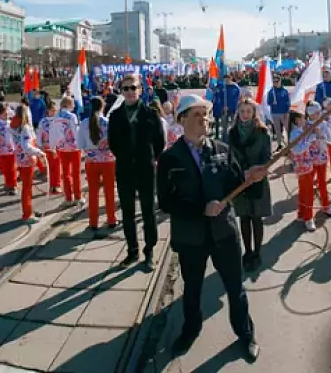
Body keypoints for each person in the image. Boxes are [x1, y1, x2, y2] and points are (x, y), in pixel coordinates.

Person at [156, 94, 263, 361]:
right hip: (191, 238)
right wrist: (200, 209)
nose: (204, 119)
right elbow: (167, 201)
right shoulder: (170, 159)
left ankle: (245, 332)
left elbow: (238, 184)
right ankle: (190, 330)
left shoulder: (222, 150)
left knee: (235, 287)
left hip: (224, 233)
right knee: (192, 290)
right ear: (181, 120)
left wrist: (253, 178)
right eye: (196, 114)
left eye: (205, 114)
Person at [107, 74, 166, 269]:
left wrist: (147, 157)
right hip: (124, 169)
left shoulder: (150, 114)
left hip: (146, 169)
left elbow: (160, 142)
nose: (130, 92)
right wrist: (125, 157)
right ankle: (132, 250)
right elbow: (112, 143)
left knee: (149, 211)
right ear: (121, 92)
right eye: (126, 89)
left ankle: (149, 250)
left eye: (133, 88)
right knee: (128, 212)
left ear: (140, 89)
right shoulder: (115, 115)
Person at [227, 97, 272, 272]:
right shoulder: (232, 133)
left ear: (254, 112)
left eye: (248, 111)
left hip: (258, 179)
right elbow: (230, 156)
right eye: (242, 111)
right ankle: (247, 251)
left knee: (256, 217)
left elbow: (267, 155)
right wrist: (241, 172)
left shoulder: (262, 132)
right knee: (244, 217)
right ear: (238, 113)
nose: (245, 114)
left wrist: (258, 170)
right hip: (240, 180)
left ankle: (257, 252)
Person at [78, 97, 117, 234]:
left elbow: (79, 145)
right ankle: (111, 219)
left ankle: (93, 222)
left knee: (93, 193)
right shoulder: (108, 122)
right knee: (109, 191)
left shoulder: (83, 123)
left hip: (91, 162)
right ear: (103, 107)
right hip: (108, 161)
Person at [14, 105, 47, 223]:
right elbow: (26, 146)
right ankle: (27, 214)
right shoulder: (25, 128)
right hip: (27, 160)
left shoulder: (15, 127)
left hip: (20, 160)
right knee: (27, 189)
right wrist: (39, 153)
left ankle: (29, 210)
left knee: (26, 188)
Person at [51, 96, 83, 206]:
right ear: (69, 104)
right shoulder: (72, 116)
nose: (74, 105)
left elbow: (53, 133)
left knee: (65, 174)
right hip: (74, 148)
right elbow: (75, 131)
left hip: (62, 148)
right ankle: (78, 197)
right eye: (73, 103)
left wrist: (53, 147)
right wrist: (81, 145)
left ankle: (68, 198)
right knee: (76, 173)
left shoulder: (56, 116)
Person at [0, 103, 17, 195]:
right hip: (2, 151)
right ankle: (7, 183)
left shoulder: (11, 123)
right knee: (5, 169)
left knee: (12, 169)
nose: (5, 114)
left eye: (6, 112)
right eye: (3, 113)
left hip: (12, 150)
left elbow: (15, 136)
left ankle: (13, 186)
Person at [38, 103, 63, 196]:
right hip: (47, 146)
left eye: (55, 110)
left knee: (57, 167)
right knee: (50, 167)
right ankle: (52, 185)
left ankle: (57, 185)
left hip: (57, 147)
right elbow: (39, 133)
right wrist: (40, 145)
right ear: (48, 110)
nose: (54, 112)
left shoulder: (58, 120)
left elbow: (61, 133)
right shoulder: (43, 121)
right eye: (52, 110)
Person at [267, 76, 290, 148]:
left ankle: (290, 143)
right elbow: (268, 102)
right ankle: (279, 144)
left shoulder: (285, 90)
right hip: (275, 113)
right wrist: (272, 102)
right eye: (274, 82)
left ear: (280, 81)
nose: (276, 83)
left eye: (277, 81)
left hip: (284, 113)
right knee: (277, 130)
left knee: (287, 129)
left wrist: (287, 112)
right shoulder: (271, 92)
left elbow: (288, 102)